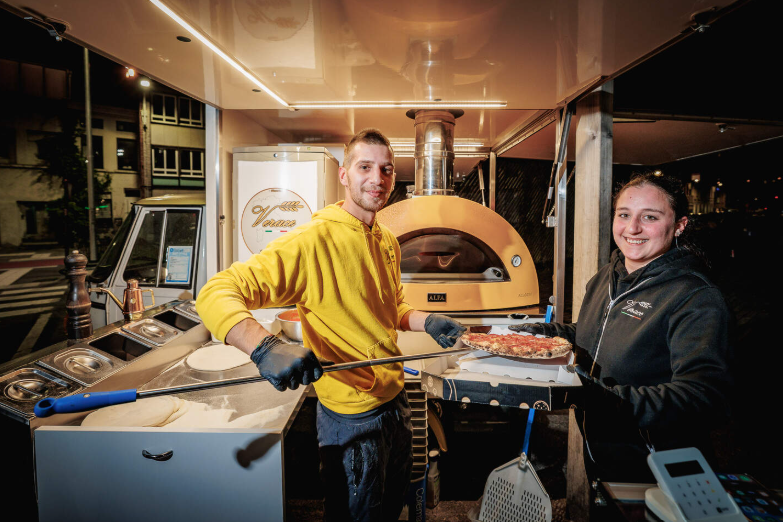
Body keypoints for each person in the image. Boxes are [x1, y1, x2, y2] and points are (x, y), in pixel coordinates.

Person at [195, 128, 465, 521]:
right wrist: (263, 345)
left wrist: (427, 320)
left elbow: (392, 308)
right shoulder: (312, 239)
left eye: (386, 169)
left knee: (391, 508)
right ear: (344, 175)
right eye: (365, 167)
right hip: (351, 418)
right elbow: (216, 290)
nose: (377, 178)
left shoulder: (386, 240)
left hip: (395, 402)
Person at [516, 173, 733, 481]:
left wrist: (607, 400)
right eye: (624, 215)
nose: (633, 228)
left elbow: (704, 398)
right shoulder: (607, 276)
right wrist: (538, 336)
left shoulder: (695, 297)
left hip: (659, 470)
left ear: (680, 225)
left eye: (650, 217)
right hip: (604, 461)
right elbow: (592, 335)